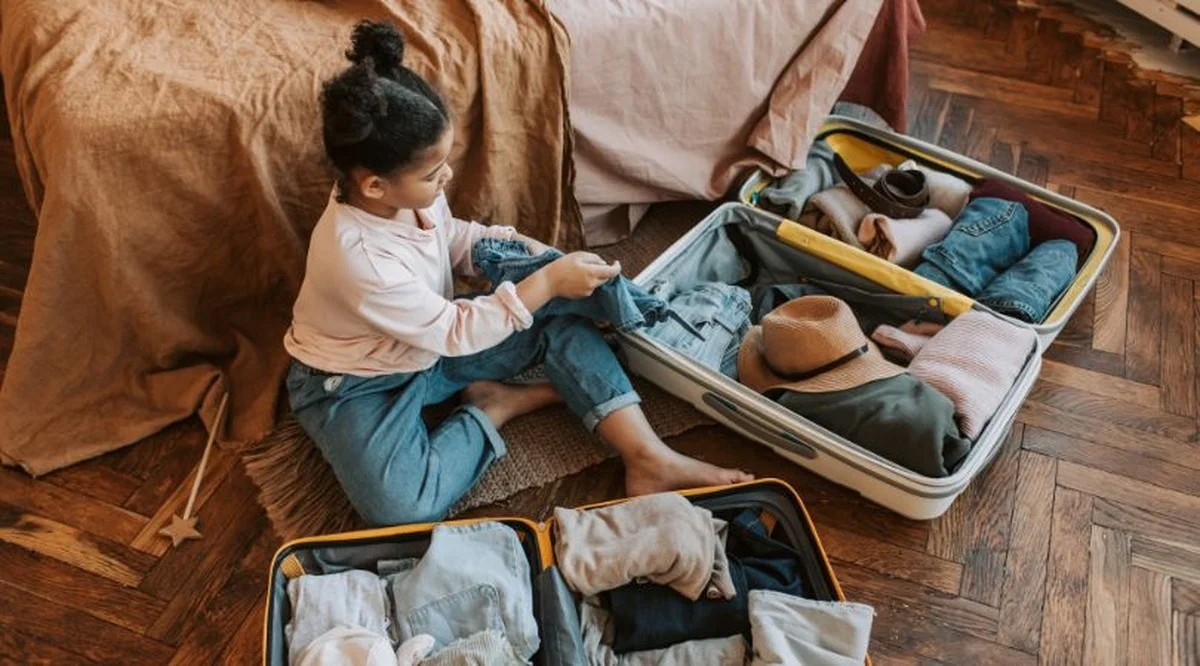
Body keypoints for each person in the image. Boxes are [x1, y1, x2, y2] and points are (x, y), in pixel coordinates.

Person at [283, 20, 750, 526]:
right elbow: (457, 330)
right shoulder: (359, 259)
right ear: (374, 185)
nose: (447, 177)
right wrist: (545, 283)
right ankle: (493, 408)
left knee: (558, 320)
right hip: (358, 380)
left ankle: (647, 456)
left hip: (430, 347)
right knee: (400, 506)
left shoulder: (405, 199)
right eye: (432, 172)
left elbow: (455, 239)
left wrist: (530, 258)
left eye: (446, 161)